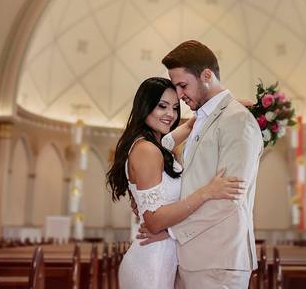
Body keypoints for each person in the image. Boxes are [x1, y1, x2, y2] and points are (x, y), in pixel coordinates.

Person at [140, 40, 263, 289]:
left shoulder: (237, 120)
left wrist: (169, 231)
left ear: (207, 75)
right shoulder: (202, 119)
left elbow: (229, 198)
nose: (179, 95)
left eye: (183, 85)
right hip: (193, 259)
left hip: (219, 260)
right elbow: (160, 149)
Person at [106, 76, 244, 289]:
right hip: (152, 265)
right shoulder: (147, 150)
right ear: (145, 106)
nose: (170, 114)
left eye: (175, 107)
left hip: (161, 257)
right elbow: (153, 221)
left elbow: (190, 125)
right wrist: (207, 192)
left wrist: (236, 107)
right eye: (162, 106)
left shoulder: (158, 145)